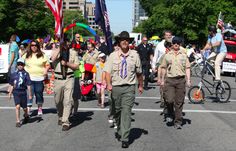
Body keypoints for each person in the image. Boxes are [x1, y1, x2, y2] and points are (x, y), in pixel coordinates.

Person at [104, 31, 143, 148]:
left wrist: (140, 85)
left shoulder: (135, 55)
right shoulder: (112, 56)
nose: (125, 42)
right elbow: (107, 72)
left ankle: (125, 137)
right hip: (115, 87)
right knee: (117, 112)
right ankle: (120, 130)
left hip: (129, 88)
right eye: (122, 40)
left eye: (127, 40)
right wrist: (108, 84)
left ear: (129, 42)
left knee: (126, 112)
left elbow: (139, 73)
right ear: (119, 42)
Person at [160, 37, 191, 129]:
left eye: (178, 43)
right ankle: (169, 112)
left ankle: (178, 121)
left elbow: (187, 68)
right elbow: (163, 67)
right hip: (170, 80)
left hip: (181, 80)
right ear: (172, 44)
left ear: (180, 44)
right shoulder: (167, 55)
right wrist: (162, 80)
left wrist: (188, 80)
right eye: (174, 43)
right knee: (169, 99)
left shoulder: (184, 55)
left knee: (179, 102)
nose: (176, 44)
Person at [51, 39, 80, 131]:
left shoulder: (73, 52)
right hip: (58, 78)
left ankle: (65, 121)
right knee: (58, 100)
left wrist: (67, 63)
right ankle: (60, 115)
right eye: (63, 42)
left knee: (68, 100)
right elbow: (52, 59)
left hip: (69, 78)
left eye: (67, 42)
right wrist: (59, 49)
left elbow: (77, 66)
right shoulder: (56, 51)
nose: (65, 44)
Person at [22, 40, 50, 116]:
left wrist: (45, 71)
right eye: (32, 45)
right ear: (30, 46)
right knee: (29, 94)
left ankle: (39, 108)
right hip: (29, 78)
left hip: (39, 78)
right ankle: (28, 109)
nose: (33, 47)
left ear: (38, 46)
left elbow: (47, 65)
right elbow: (21, 63)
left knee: (39, 93)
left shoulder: (42, 55)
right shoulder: (26, 55)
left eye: (35, 45)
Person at [8, 58, 32, 127]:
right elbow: (12, 84)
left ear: (24, 65)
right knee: (17, 106)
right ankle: (18, 121)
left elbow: (28, 85)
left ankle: (26, 115)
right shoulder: (14, 74)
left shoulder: (26, 74)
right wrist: (10, 93)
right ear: (17, 65)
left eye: (21, 64)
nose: (20, 66)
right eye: (18, 64)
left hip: (23, 92)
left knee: (24, 108)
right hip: (16, 92)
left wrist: (30, 94)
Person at [152, 30, 173, 108]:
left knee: (169, 86)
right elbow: (155, 56)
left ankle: (169, 100)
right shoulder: (160, 45)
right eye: (167, 35)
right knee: (162, 85)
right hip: (161, 67)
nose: (168, 37)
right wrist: (153, 66)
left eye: (169, 35)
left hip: (170, 69)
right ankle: (162, 99)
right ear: (164, 36)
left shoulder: (173, 44)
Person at [72, 44, 85, 115]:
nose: (76, 51)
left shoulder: (80, 60)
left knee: (75, 97)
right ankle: (69, 111)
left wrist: (82, 80)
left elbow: (82, 71)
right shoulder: (69, 58)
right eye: (75, 49)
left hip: (77, 78)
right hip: (69, 78)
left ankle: (75, 112)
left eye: (77, 49)